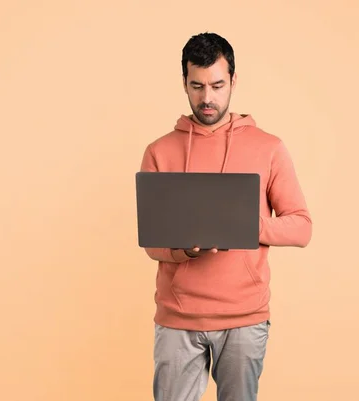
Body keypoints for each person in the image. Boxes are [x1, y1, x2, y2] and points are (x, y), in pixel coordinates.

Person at [139, 32, 312, 401]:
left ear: (234, 80)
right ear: (184, 82)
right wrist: (183, 250)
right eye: (197, 86)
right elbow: (152, 243)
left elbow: (301, 226)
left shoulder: (268, 147)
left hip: (244, 317)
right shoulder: (160, 152)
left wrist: (243, 225)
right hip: (177, 318)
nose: (207, 97)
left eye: (217, 85)